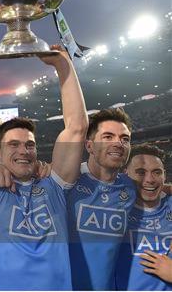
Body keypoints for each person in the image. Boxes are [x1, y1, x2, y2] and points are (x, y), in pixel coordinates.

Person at [0, 45, 88, 290]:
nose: (23, 151)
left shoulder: (55, 184)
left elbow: (77, 128)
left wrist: (63, 65)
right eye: (14, 145)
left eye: (30, 145)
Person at [66, 108, 136, 290]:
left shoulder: (131, 187)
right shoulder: (64, 182)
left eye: (125, 139)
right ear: (89, 146)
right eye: (108, 137)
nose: (119, 143)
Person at [116, 143, 172, 290]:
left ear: (164, 175)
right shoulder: (112, 207)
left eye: (157, 172)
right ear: (125, 174)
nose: (150, 179)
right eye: (141, 172)